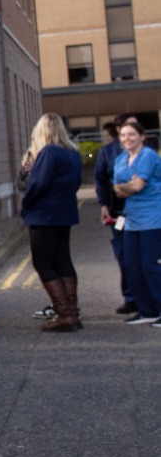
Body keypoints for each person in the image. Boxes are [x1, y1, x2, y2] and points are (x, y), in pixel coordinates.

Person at [19, 113, 84, 332]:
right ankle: (72, 312)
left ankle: (64, 314)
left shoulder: (47, 152)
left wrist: (26, 203)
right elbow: (76, 182)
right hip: (64, 212)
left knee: (43, 263)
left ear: (42, 130)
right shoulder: (72, 153)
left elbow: (38, 184)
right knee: (63, 261)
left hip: (43, 214)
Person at [113, 120, 161, 326]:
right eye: (123, 135)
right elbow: (116, 188)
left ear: (142, 137)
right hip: (131, 219)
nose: (127, 139)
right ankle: (147, 310)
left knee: (150, 266)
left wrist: (127, 186)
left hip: (153, 218)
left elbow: (138, 186)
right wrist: (127, 186)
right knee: (130, 265)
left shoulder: (148, 155)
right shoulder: (121, 158)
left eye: (131, 134)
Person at [95, 117, 137, 314]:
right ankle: (130, 297)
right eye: (127, 129)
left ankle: (148, 298)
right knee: (123, 255)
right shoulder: (108, 152)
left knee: (145, 256)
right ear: (119, 129)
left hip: (143, 213)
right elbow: (101, 180)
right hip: (118, 212)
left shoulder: (147, 152)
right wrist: (103, 204)